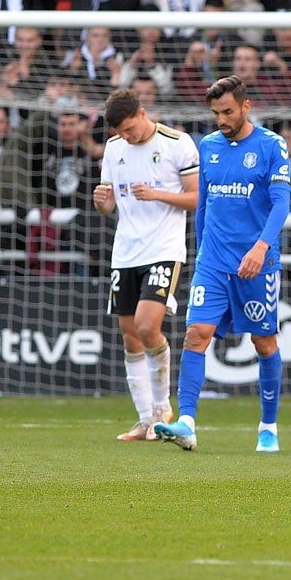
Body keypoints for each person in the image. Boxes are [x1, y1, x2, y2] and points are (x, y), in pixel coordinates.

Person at [155, 75, 291, 452]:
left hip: (256, 263)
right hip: (213, 262)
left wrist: (261, 247)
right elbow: (203, 204)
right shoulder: (209, 146)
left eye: (227, 111)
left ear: (246, 107)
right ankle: (187, 421)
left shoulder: (271, 146)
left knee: (264, 342)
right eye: (215, 113)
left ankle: (268, 426)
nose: (221, 119)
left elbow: (281, 204)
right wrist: (199, 252)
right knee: (196, 334)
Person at [94, 89, 200, 441]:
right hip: (125, 251)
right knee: (129, 335)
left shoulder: (177, 142)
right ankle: (145, 420)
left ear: (142, 113)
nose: (127, 137)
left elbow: (197, 197)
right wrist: (103, 202)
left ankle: (162, 408)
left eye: (130, 129)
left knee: (146, 326)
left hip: (164, 248)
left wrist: (158, 194)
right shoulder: (114, 150)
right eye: (120, 133)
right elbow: (109, 206)